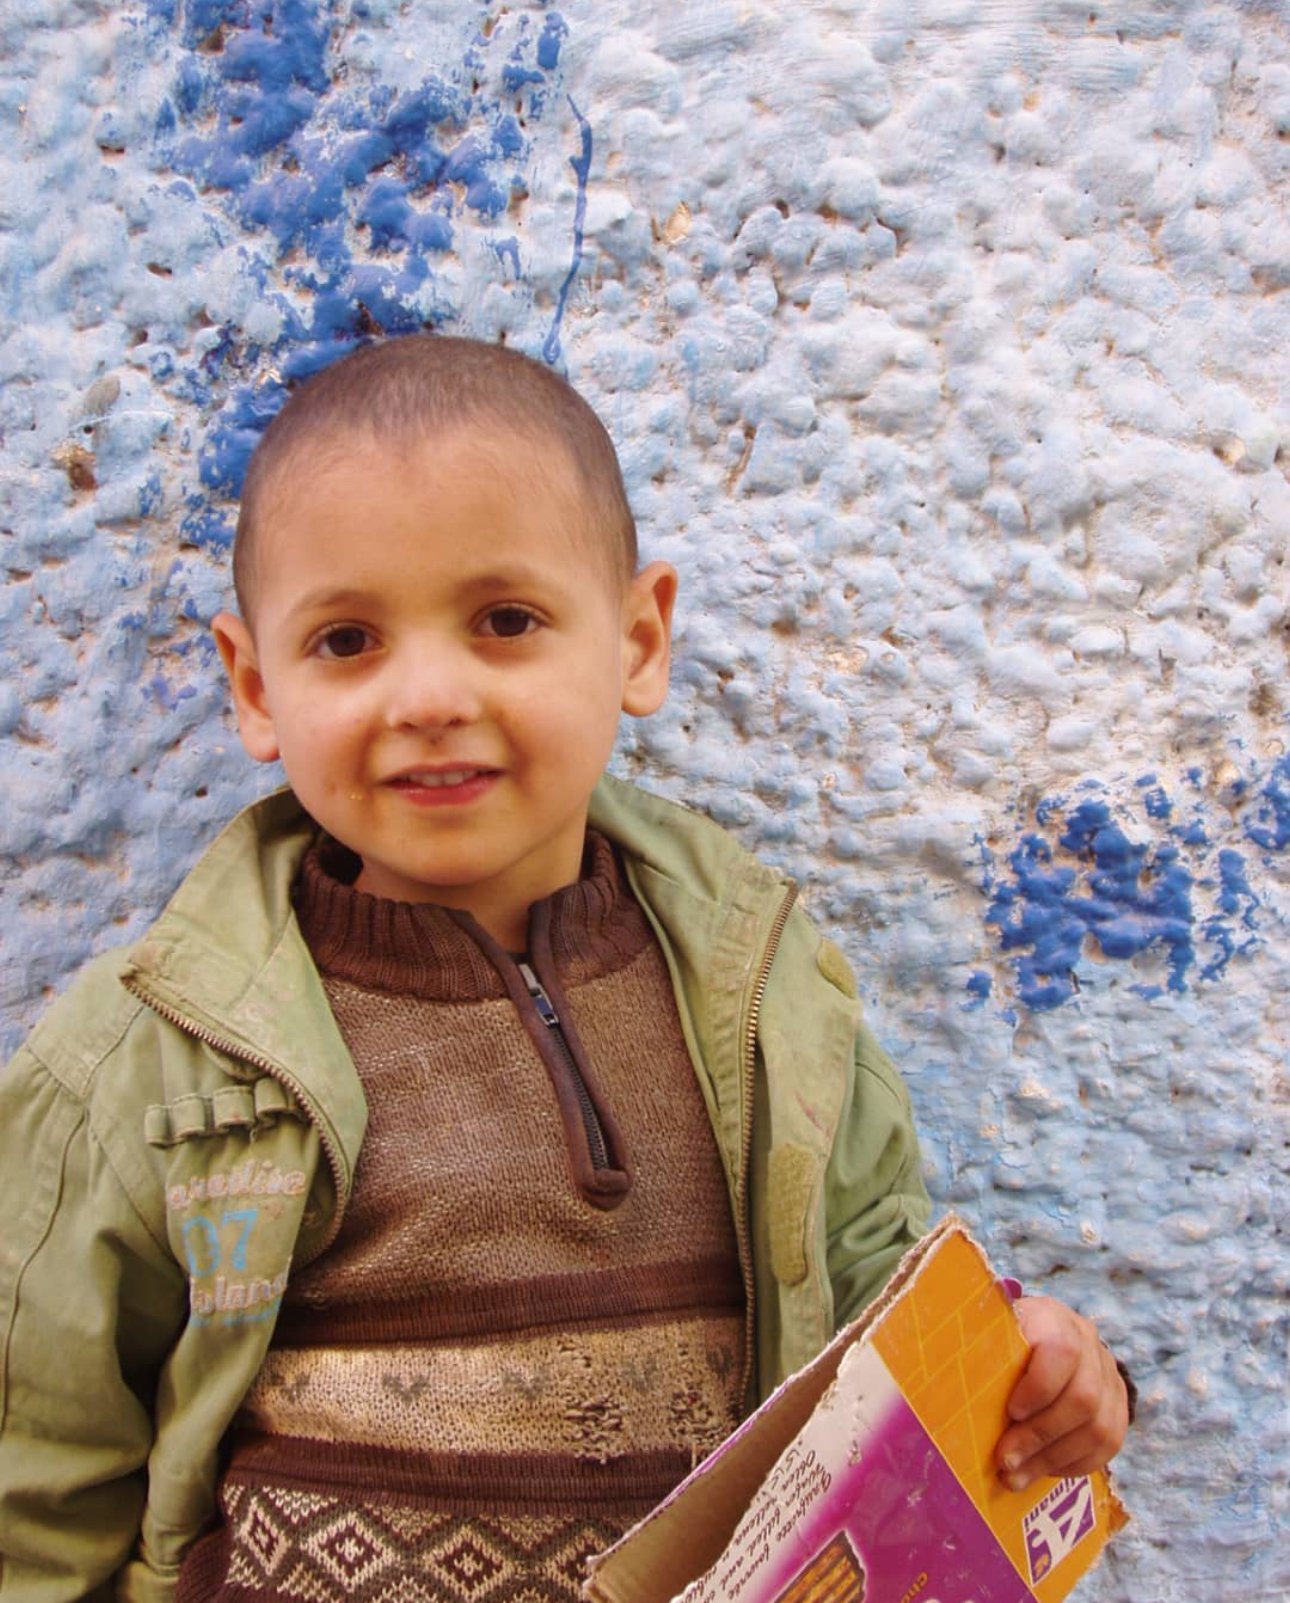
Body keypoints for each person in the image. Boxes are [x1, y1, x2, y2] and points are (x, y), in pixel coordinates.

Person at [0, 336, 1131, 1600]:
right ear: (258, 687)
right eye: (348, 640)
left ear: (638, 640)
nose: (428, 695)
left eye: (505, 621)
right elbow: (39, 1476)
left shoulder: (764, 998)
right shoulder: (155, 1058)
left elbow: (882, 1304)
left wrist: (1036, 1365)